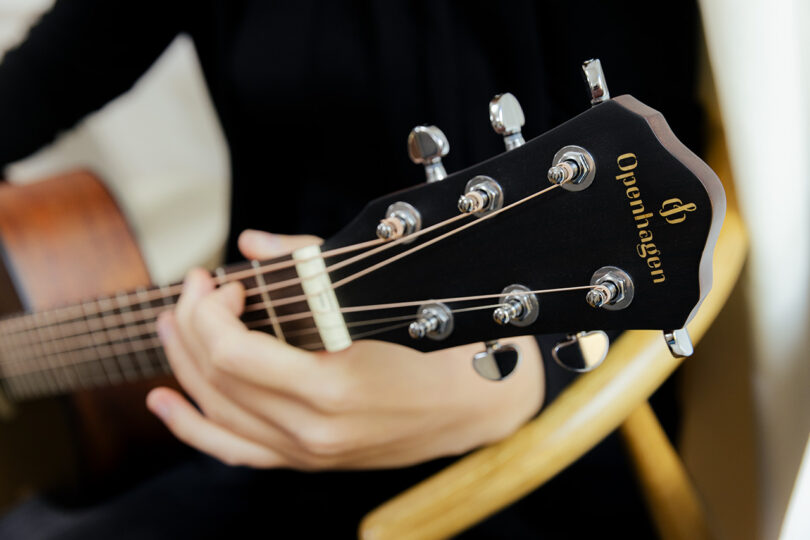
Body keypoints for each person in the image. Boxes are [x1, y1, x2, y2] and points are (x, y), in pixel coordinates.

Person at [0, 1, 703, 537]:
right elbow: (38, 86)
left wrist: (510, 387)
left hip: (541, 438)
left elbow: (662, 213)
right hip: (254, 386)